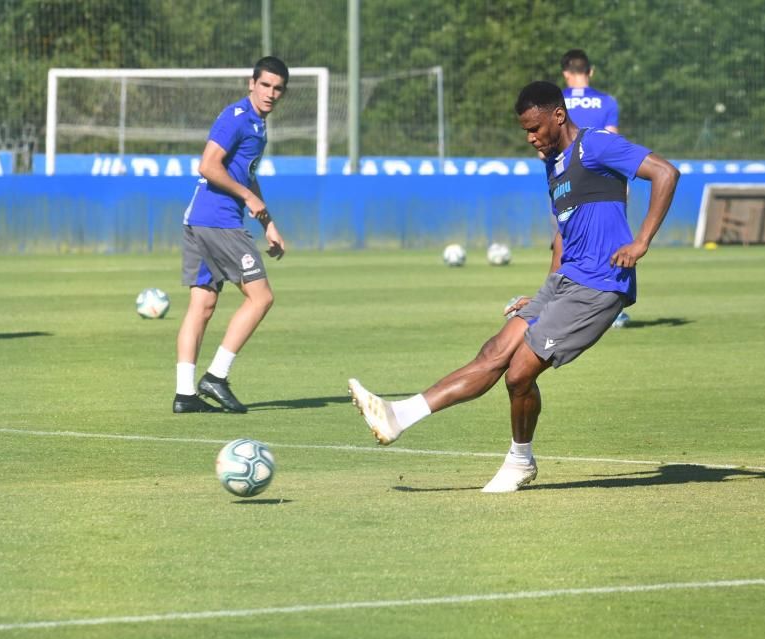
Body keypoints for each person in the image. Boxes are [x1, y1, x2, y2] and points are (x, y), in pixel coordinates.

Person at [348, 81, 680, 492]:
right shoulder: (552, 164)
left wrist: (641, 241)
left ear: (558, 115)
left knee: (519, 372)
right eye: (525, 130)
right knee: (494, 351)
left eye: (535, 127)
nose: (530, 138)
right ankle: (397, 416)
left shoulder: (594, 146)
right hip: (566, 279)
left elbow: (666, 172)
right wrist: (543, 293)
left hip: (600, 282)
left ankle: (520, 461)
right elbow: (563, 237)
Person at [172, 56, 289, 414]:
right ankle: (216, 377)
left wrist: (267, 221)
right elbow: (208, 165)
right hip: (218, 220)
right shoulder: (237, 117)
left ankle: (184, 395)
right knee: (261, 298)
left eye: (278, 88)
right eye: (265, 85)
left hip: (200, 219)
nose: (270, 93)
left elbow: (245, 174)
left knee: (202, 305)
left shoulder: (258, 125)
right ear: (251, 83)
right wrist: (249, 198)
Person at [560, 49, 619, 134]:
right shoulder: (608, 101)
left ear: (565, 73)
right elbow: (612, 141)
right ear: (591, 71)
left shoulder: (554, 102)